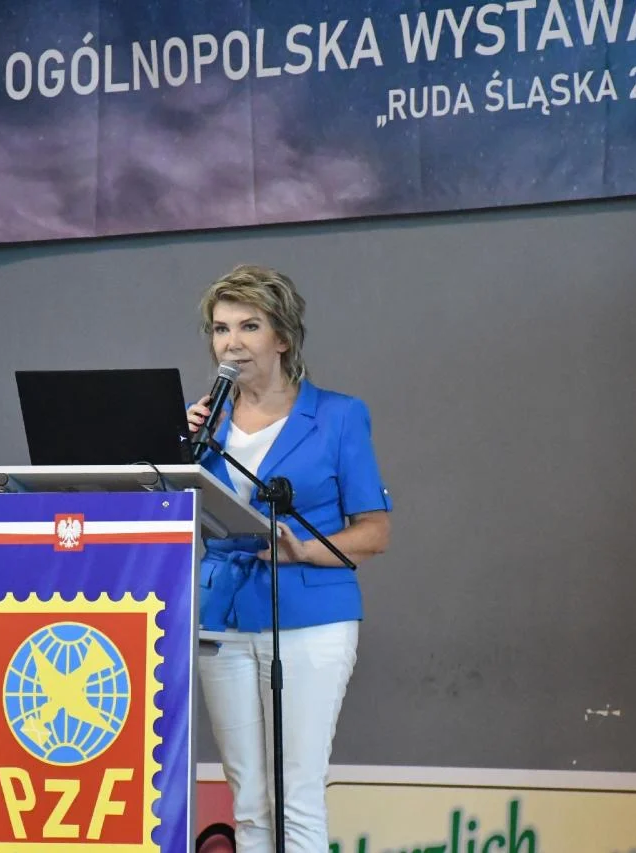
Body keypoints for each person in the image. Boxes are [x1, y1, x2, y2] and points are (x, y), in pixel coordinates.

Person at [185, 265, 392, 853]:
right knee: (248, 802)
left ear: (282, 336)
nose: (232, 342)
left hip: (310, 618)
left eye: (249, 326)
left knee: (295, 796)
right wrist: (174, 446)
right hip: (222, 618)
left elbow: (375, 532)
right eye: (221, 328)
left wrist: (302, 548)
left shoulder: (338, 415)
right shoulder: (202, 424)